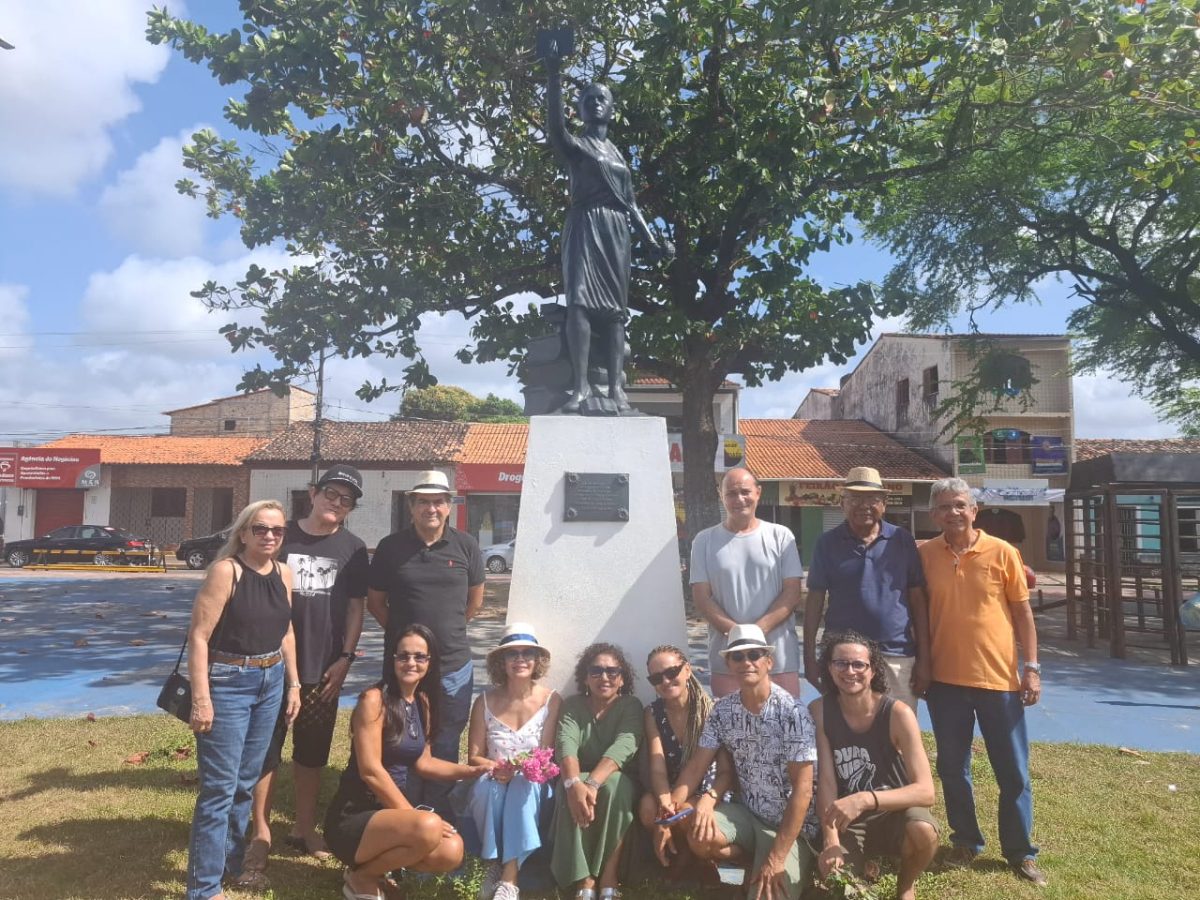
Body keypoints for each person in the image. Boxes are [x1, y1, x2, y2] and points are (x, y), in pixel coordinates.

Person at [919, 477, 1047, 887]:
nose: (952, 513)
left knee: (1012, 771)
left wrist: (1032, 667)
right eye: (943, 507)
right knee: (953, 768)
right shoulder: (924, 555)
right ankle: (966, 841)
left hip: (999, 680)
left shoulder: (1003, 552)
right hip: (944, 682)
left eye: (960, 505)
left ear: (974, 511)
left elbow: (1023, 614)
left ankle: (1020, 852)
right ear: (933, 514)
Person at [248, 464, 371, 868]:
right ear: (314, 493)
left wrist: (346, 658)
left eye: (347, 500)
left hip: (324, 669)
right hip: (272, 664)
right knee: (266, 749)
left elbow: (356, 606)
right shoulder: (281, 535)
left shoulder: (353, 549)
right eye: (332, 494)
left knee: (312, 752)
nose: (337, 503)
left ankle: (303, 827)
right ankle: (261, 833)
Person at [543, 41, 671, 413]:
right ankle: (581, 388)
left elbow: (631, 203)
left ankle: (616, 389)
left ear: (612, 110)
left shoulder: (617, 154)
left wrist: (650, 240)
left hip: (616, 232)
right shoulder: (577, 146)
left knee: (616, 312)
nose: (596, 102)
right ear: (580, 109)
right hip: (585, 225)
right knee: (580, 304)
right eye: (588, 98)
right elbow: (556, 129)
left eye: (603, 99)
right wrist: (553, 75)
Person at [184, 500, 301, 900]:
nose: (269, 536)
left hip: (271, 680)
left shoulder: (284, 573)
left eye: (277, 531)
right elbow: (198, 637)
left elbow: (286, 632)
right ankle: (203, 888)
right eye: (261, 529)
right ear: (244, 532)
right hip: (228, 681)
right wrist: (202, 698)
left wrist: (295, 684)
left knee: (245, 784)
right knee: (219, 788)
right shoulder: (226, 571)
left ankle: (231, 864)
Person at [325, 624, 490, 900]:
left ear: (430, 661)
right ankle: (362, 877)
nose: (411, 662)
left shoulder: (421, 702)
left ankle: (373, 871)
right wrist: (414, 818)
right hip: (354, 816)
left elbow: (424, 763)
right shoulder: (373, 700)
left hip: (392, 818)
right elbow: (371, 771)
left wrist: (472, 771)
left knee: (452, 851)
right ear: (393, 659)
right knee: (428, 827)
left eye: (419, 656)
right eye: (403, 656)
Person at [367, 470, 485, 815]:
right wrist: (410, 645)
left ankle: (437, 813)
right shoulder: (392, 548)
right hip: (406, 667)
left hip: (453, 667)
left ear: (449, 506)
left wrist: (442, 638)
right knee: (401, 738)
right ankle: (402, 810)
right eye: (423, 502)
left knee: (445, 740)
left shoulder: (466, 545)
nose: (430, 508)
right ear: (411, 506)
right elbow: (376, 602)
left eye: (437, 502)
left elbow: (474, 602)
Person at [673, 625, 818, 900]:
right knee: (696, 829)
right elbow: (696, 766)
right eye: (737, 657)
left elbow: (804, 790)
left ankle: (781, 863)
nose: (746, 662)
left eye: (754, 654)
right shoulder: (723, 710)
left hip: (789, 827)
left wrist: (776, 858)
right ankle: (750, 862)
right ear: (728, 663)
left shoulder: (792, 712)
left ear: (769, 661)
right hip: (747, 813)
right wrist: (671, 809)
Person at [810, 631, 938, 900]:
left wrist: (865, 798)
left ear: (873, 670)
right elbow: (827, 782)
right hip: (846, 819)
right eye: (841, 663)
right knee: (841, 889)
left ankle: (905, 885)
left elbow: (926, 791)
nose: (850, 671)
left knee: (923, 831)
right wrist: (830, 839)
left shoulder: (897, 714)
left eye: (859, 664)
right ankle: (864, 864)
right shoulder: (820, 711)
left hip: (893, 811)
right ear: (829, 668)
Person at [803, 467, 930, 709]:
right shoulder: (826, 544)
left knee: (898, 735)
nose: (864, 505)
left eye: (872, 499)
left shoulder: (902, 541)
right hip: (843, 659)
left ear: (884, 504)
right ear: (842, 504)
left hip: (896, 655)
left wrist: (925, 658)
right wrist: (810, 658)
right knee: (845, 734)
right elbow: (815, 601)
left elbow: (918, 602)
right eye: (855, 498)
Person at [465, 623, 562, 900]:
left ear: (537, 660)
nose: (520, 659)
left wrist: (520, 770)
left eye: (527, 653)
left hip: (534, 785)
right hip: (493, 775)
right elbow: (474, 755)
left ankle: (509, 878)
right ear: (501, 661)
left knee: (523, 783)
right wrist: (498, 769)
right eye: (512, 654)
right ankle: (493, 864)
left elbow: (547, 757)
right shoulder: (484, 701)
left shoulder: (551, 700)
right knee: (486, 787)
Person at [691, 467, 804, 697]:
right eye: (731, 493)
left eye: (745, 491)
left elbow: (792, 593)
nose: (739, 499)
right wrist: (738, 637)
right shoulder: (704, 541)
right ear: (720, 495)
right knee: (733, 730)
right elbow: (702, 597)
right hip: (727, 660)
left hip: (779, 659)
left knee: (783, 728)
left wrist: (754, 633)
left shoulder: (781, 536)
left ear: (758, 493)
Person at [551, 642, 643, 900]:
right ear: (586, 677)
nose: (604, 677)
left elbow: (624, 746)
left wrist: (590, 785)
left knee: (615, 786)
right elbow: (565, 744)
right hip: (578, 776)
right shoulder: (572, 705)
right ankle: (585, 878)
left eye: (612, 671)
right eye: (596, 671)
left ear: (622, 679)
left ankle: (609, 875)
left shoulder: (630, 706)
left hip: (615, 778)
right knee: (569, 788)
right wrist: (573, 785)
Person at [638, 644, 726, 885]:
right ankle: (683, 856)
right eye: (657, 677)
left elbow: (706, 769)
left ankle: (694, 861)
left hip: (704, 788)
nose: (665, 681)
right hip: (670, 785)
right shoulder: (653, 713)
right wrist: (665, 803)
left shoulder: (711, 709)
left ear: (687, 670)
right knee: (648, 807)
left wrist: (669, 813)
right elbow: (657, 764)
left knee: (684, 812)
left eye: (671, 672)